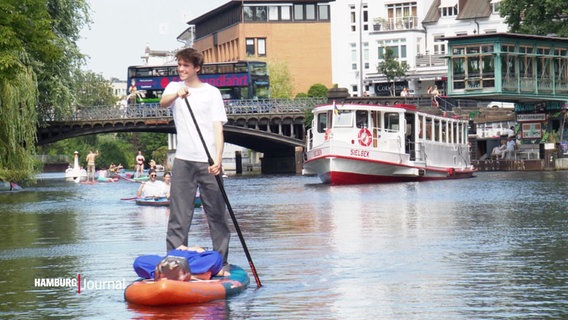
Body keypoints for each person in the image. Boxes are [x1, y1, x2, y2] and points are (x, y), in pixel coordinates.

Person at [159, 47, 231, 275]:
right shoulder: (174, 88)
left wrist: (218, 159)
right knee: (179, 214)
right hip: (183, 160)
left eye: (185, 66)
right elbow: (163, 102)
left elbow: (218, 127)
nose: (181, 69)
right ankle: (174, 262)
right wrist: (177, 95)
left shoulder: (212, 93)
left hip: (208, 161)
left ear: (197, 68)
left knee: (216, 214)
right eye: (179, 65)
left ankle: (221, 263)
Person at [133, 245, 224, 281]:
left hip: (189, 262)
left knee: (215, 256)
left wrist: (199, 250)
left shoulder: (201, 255)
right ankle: (184, 274)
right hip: (168, 260)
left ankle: (173, 273)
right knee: (139, 261)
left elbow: (220, 271)